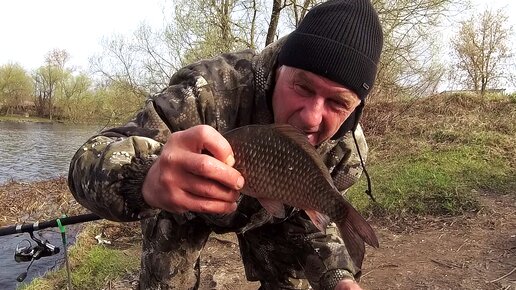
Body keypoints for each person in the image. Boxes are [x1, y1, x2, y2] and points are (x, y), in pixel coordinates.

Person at [68, 0, 383, 289]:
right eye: (302, 86)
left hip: (271, 214)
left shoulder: (345, 149)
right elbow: (87, 161)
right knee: (166, 250)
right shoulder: (211, 92)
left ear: (355, 109)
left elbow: (312, 220)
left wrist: (338, 277)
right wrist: (146, 179)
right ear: (281, 69)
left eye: (337, 103)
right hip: (187, 209)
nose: (312, 117)